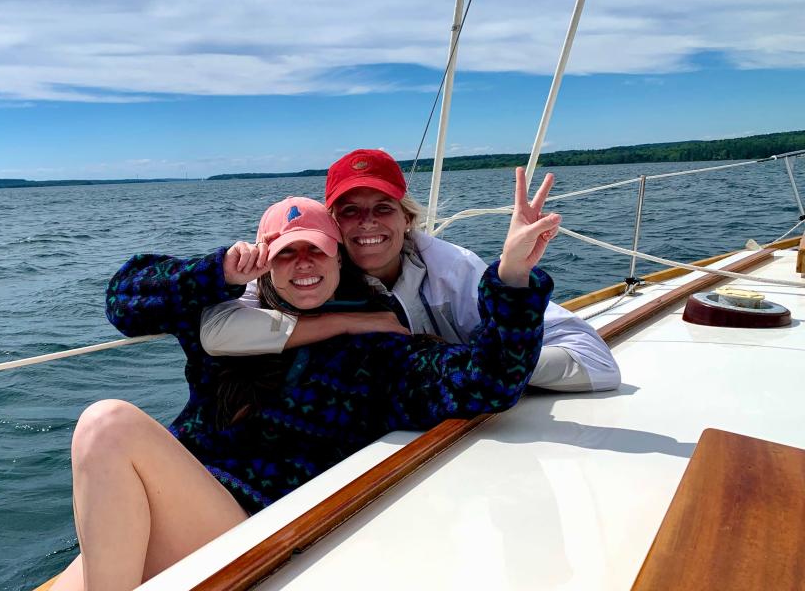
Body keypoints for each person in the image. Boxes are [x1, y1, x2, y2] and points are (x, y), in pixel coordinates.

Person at [51, 170, 558, 591]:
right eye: (286, 254)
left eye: (315, 251)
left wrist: (512, 278)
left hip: (261, 529)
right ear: (263, 264)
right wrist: (217, 272)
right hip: (186, 498)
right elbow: (123, 300)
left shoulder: (378, 349)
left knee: (107, 424)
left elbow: (490, 381)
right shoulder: (223, 318)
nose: (303, 265)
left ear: (339, 257)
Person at [202, 149, 619, 392]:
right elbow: (219, 329)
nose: (367, 222)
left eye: (383, 209)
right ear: (331, 226)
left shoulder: (452, 271)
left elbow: (597, 362)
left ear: (407, 220)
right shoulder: (309, 272)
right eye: (350, 211)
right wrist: (345, 322)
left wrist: (509, 279)